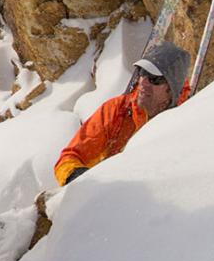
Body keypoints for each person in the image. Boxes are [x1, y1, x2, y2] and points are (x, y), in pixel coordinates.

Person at [53, 41, 192, 186]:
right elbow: (70, 157)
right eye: (142, 73)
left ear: (171, 89)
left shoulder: (185, 118)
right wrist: (74, 175)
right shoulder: (116, 110)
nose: (143, 82)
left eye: (154, 79)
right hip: (111, 191)